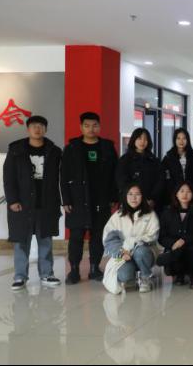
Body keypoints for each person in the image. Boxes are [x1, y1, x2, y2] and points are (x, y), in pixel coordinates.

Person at [3, 115, 62, 291]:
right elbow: (8, 177)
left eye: (41, 126)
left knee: (45, 241)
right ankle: (20, 276)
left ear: (46, 129)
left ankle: (47, 274)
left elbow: (61, 177)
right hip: (22, 204)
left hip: (46, 203)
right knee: (22, 241)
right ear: (28, 129)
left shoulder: (54, 151)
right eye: (34, 126)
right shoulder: (16, 150)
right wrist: (12, 200)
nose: (37, 129)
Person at [61, 112, 118, 285]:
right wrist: (66, 200)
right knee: (76, 236)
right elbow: (64, 175)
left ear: (99, 127)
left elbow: (115, 174)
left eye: (95, 125)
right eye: (87, 125)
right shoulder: (72, 148)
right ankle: (74, 270)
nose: (91, 129)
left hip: (101, 198)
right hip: (77, 199)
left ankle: (94, 268)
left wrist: (114, 196)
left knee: (98, 235)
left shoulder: (107, 147)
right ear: (81, 127)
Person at [101, 184, 160, 294]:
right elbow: (109, 239)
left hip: (145, 253)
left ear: (142, 196)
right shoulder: (117, 216)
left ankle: (146, 277)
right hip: (125, 254)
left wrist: (133, 243)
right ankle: (131, 278)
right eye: (130, 194)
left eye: (137, 194)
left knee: (140, 252)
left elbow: (153, 235)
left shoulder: (150, 214)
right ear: (125, 196)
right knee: (124, 275)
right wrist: (121, 252)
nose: (134, 198)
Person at [157, 182, 193, 289]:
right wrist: (173, 243)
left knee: (187, 250)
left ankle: (192, 275)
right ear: (176, 194)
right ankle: (179, 274)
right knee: (178, 251)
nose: (185, 194)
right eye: (182, 191)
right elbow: (162, 236)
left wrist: (184, 240)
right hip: (174, 248)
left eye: (188, 191)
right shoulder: (167, 212)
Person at [116, 128, 164, 211]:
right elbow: (121, 181)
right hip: (130, 202)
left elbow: (160, 180)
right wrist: (133, 197)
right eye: (139, 138)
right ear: (133, 140)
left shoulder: (154, 160)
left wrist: (152, 198)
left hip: (150, 202)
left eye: (145, 139)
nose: (142, 141)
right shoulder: (125, 160)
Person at [161, 128, 193, 210]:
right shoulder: (168, 157)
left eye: (184, 138)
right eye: (178, 138)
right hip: (173, 193)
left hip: (191, 193)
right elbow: (165, 176)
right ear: (174, 140)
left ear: (188, 140)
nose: (181, 141)